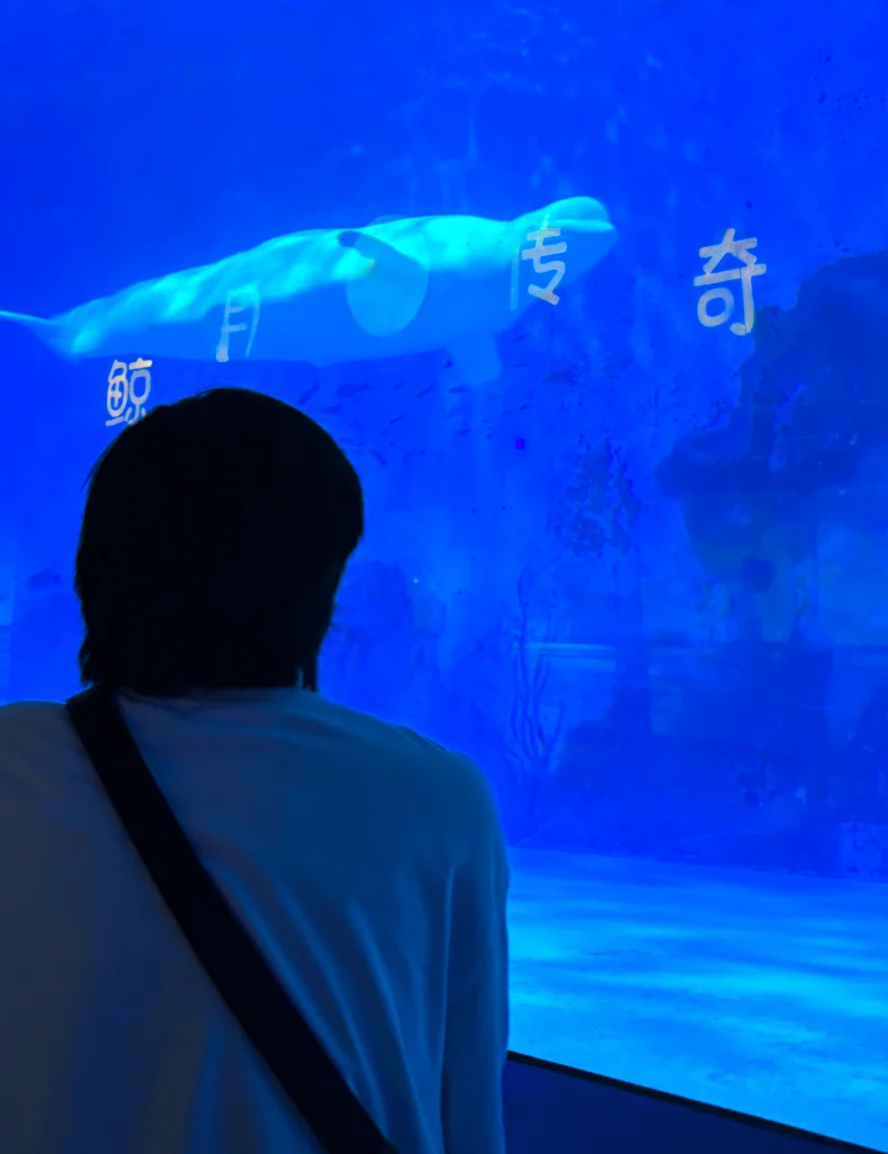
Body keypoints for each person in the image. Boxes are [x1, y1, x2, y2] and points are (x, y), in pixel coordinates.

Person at [0, 388, 509, 1154]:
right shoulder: (441, 799)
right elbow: (467, 1111)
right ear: (321, 586)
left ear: (95, 568)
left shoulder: (14, 761)